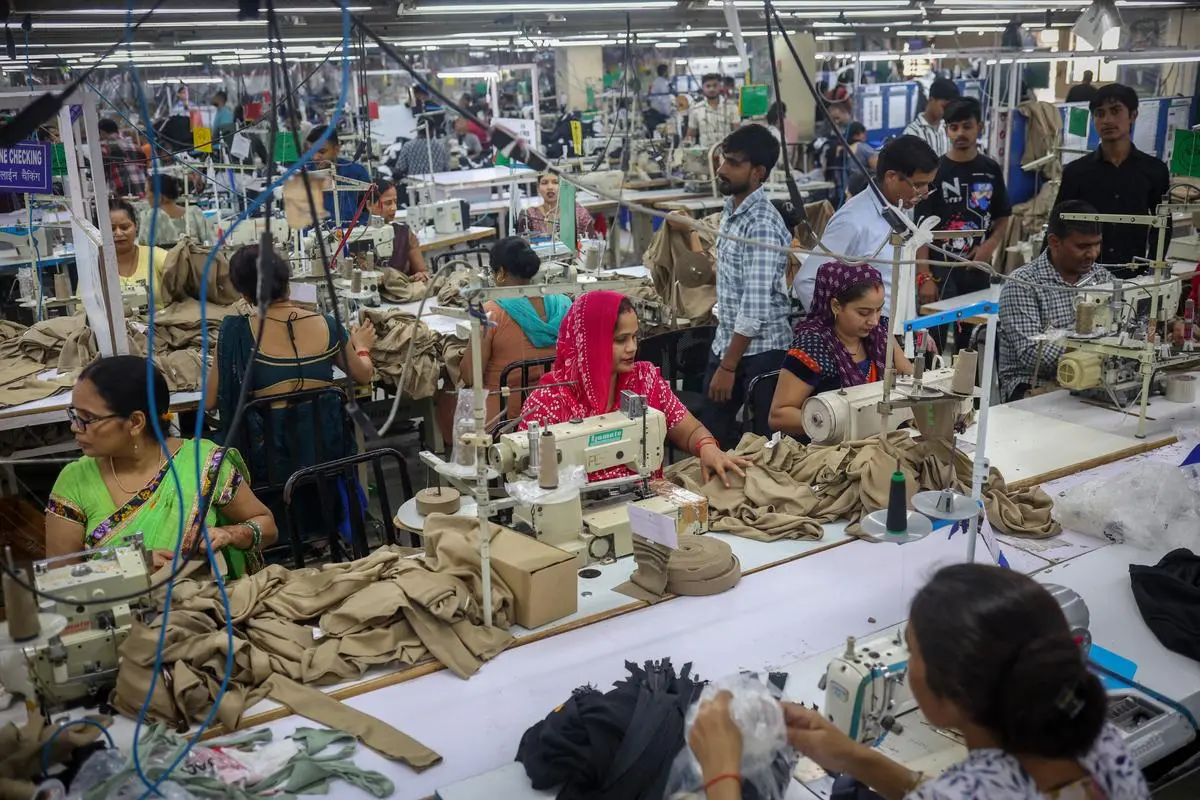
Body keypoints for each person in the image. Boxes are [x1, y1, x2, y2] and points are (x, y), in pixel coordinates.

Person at [689, 564, 1147, 800]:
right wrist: (854, 757)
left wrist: (721, 774)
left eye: (912, 651)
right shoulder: (1098, 745)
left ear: (953, 697)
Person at [45, 356, 277, 578]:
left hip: (204, 598)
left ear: (135, 422)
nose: (75, 427)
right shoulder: (76, 479)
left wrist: (230, 534)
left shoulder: (202, 463)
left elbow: (267, 527)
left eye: (88, 418)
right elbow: (59, 577)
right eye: (74, 414)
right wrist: (132, 565)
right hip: (119, 605)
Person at [520, 290, 749, 485]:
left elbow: (689, 430)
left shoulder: (644, 379)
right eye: (621, 340)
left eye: (635, 337)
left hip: (643, 500)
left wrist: (707, 447)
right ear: (591, 342)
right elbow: (530, 477)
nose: (632, 348)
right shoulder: (548, 401)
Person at [701, 125, 793, 450]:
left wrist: (728, 366)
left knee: (764, 449)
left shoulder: (761, 225)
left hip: (760, 354)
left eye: (733, 163)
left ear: (758, 172)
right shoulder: (732, 211)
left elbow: (754, 309)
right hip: (727, 343)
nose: (721, 169)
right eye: (723, 159)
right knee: (710, 438)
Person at [795, 135, 939, 315]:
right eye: (918, 185)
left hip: (900, 328)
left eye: (928, 185)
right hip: (871, 331)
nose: (924, 193)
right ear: (891, 177)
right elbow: (806, 281)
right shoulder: (852, 221)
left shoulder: (901, 209)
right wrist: (841, 329)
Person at [769, 262, 912, 440]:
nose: (874, 321)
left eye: (879, 310)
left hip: (874, 438)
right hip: (828, 447)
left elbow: (911, 380)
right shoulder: (812, 347)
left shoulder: (880, 334)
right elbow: (779, 416)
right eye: (863, 312)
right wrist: (839, 420)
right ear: (836, 306)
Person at [999, 201, 1114, 403]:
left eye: (1097, 244)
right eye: (1083, 246)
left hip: (1089, 377)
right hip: (1034, 386)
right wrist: (1097, 345)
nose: (1093, 254)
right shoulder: (1023, 284)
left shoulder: (1100, 276)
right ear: (1054, 241)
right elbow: (1033, 355)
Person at [1054, 83, 1170, 279]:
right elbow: (1058, 223)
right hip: (1084, 276)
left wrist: (1152, 269)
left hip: (1134, 276)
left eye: (1116, 111)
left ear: (1133, 115)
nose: (1107, 120)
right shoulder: (1076, 172)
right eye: (1100, 113)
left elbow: (1164, 225)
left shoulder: (1154, 170)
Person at [915, 97, 1010, 316]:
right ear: (946, 130)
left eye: (967, 126)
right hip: (939, 270)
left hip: (977, 268)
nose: (960, 133)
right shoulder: (935, 172)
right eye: (954, 127)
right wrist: (924, 276)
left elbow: (1003, 215)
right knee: (934, 332)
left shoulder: (990, 169)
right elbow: (920, 229)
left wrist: (989, 245)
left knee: (974, 331)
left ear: (980, 127)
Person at [460, 237, 570, 424]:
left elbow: (470, 376)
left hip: (505, 421)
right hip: (554, 413)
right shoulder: (564, 304)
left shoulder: (491, 314)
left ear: (501, 273)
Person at [305, 125, 371, 227]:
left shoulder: (357, 174)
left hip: (353, 233)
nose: (315, 157)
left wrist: (356, 230)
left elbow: (368, 212)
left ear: (336, 149)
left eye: (322, 152)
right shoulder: (304, 175)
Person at [109, 199, 169, 309]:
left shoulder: (154, 256)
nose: (118, 233)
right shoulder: (96, 268)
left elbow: (179, 270)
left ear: (135, 227)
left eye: (125, 227)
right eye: (111, 229)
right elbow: (83, 311)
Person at [370, 180, 428, 280]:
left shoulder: (406, 235)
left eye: (395, 202)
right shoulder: (357, 237)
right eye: (388, 203)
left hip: (402, 288)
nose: (394, 208)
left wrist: (421, 275)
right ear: (369, 205)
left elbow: (423, 271)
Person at [516, 172, 597, 240]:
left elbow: (593, 245)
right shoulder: (528, 215)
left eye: (555, 182)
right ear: (538, 188)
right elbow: (521, 248)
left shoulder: (579, 213)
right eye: (544, 183)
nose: (550, 187)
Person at [139, 174, 214, 247]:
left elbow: (144, 246)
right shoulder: (195, 212)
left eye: (147, 193)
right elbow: (210, 242)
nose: (146, 197)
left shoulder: (151, 217)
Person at [903, 77, 960, 157]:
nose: (947, 112)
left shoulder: (949, 130)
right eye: (944, 107)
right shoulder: (912, 133)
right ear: (931, 100)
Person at [686, 73, 740, 149]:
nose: (711, 89)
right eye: (708, 86)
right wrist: (687, 146)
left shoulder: (731, 107)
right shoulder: (696, 109)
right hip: (705, 152)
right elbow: (690, 136)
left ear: (720, 86)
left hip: (727, 152)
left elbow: (737, 133)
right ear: (703, 88)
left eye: (715, 85)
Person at [97, 118, 147, 198]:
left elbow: (101, 177)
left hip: (123, 194)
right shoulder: (135, 147)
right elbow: (144, 169)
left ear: (102, 132)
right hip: (144, 190)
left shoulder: (104, 149)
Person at [394, 113, 450, 178]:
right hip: (437, 182)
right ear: (432, 130)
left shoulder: (408, 146)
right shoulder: (440, 146)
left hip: (416, 183)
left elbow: (400, 169)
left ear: (417, 128)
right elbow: (446, 169)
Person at [843, 121, 879, 199]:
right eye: (863, 133)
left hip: (848, 190)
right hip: (863, 188)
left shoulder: (844, 149)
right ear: (856, 135)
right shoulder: (863, 148)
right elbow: (878, 167)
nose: (865, 135)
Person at [646, 64, 675, 136]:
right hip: (658, 116)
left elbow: (650, 98)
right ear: (664, 72)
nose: (668, 73)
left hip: (657, 114)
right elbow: (664, 100)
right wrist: (668, 114)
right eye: (667, 71)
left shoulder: (658, 82)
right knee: (660, 136)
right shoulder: (661, 83)